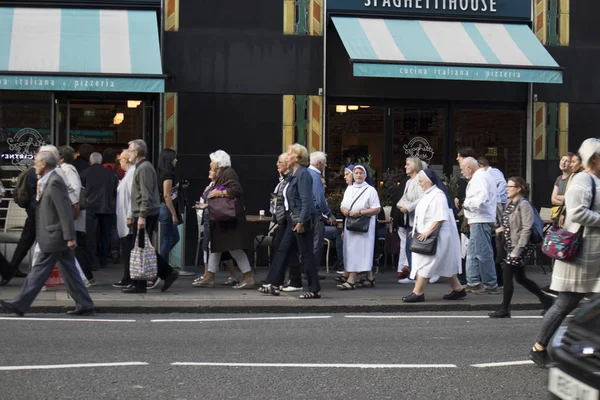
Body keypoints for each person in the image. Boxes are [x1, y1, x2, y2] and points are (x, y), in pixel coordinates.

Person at [530, 138, 600, 368]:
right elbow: (578, 213)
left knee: (572, 304)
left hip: (592, 255)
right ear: (595, 158)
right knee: (565, 303)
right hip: (581, 256)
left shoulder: (594, 180)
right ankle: (539, 348)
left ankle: (582, 349)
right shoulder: (583, 179)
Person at [0, 149, 95, 317]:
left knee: (38, 271)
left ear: (44, 164)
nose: (34, 166)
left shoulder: (55, 182)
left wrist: (69, 237)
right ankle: (85, 304)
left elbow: (64, 210)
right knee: (70, 272)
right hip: (54, 235)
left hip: (54, 236)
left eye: (36, 162)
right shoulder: (46, 181)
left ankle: (19, 304)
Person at [260, 143, 321, 299]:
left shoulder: (303, 174)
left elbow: (306, 200)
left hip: (300, 220)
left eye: (289, 153)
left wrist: (301, 221)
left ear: (298, 157)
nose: (287, 156)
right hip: (290, 220)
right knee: (282, 250)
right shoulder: (293, 175)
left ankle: (314, 289)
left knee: (306, 254)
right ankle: (273, 283)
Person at [488, 177, 553, 318]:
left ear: (518, 189)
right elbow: (511, 223)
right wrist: (501, 228)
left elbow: (526, 228)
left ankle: (505, 309)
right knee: (521, 278)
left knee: (507, 276)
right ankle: (547, 300)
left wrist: (517, 250)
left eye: (510, 186)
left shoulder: (524, 205)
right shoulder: (510, 203)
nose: (506, 189)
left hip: (520, 247)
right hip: (510, 245)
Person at [121, 139, 179, 294]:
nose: (128, 154)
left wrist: (141, 216)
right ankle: (145, 281)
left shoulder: (144, 168)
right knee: (142, 247)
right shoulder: (141, 167)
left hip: (146, 214)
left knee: (142, 247)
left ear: (137, 152)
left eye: (130, 150)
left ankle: (164, 274)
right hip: (143, 213)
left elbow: (145, 194)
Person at [193, 150, 254, 289]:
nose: (210, 164)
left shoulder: (228, 172)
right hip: (222, 219)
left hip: (229, 220)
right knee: (215, 247)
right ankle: (209, 276)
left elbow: (236, 190)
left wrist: (219, 192)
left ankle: (248, 277)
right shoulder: (222, 174)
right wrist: (208, 204)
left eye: (212, 161)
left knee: (234, 249)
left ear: (219, 163)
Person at [401, 169, 464, 302]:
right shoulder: (427, 195)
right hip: (425, 234)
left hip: (435, 236)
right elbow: (421, 215)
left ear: (429, 181)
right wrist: (416, 229)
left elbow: (440, 217)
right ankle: (458, 289)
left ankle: (418, 293)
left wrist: (428, 232)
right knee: (444, 264)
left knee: (426, 263)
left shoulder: (438, 195)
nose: (420, 184)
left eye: (421, 181)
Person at [336, 165, 381, 290]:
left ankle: (351, 280)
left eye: (361, 173)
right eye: (356, 173)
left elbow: (376, 208)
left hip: (364, 227)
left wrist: (360, 212)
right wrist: (344, 210)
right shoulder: (349, 189)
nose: (358, 175)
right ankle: (369, 278)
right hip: (350, 225)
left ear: (365, 175)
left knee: (360, 251)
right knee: (351, 251)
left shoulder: (370, 190)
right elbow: (342, 205)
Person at [192, 170, 240, 287]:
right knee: (219, 249)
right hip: (209, 217)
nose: (209, 171)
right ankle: (226, 275)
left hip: (214, 218)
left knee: (213, 247)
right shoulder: (210, 186)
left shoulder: (219, 187)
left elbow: (220, 201)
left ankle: (208, 275)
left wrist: (208, 202)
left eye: (212, 170)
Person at [460, 157, 499, 294]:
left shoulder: (479, 178)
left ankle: (490, 285)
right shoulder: (482, 176)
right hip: (478, 219)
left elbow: (481, 199)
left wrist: (467, 204)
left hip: (480, 219)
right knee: (472, 253)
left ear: (469, 168)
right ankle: (473, 282)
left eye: (462, 169)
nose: (462, 172)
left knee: (482, 253)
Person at [58, 146, 95, 286]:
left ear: (61, 158)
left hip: (74, 214)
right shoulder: (66, 169)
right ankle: (85, 276)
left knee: (77, 246)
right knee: (76, 246)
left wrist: (73, 207)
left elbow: (74, 189)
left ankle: (87, 276)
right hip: (73, 213)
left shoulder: (68, 170)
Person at [80, 152, 118, 269]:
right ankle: (103, 260)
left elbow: (81, 191)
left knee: (90, 236)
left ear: (90, 162)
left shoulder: (84, 174)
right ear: (101, 161)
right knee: (105, 235)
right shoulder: (110, 175)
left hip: (90, 208)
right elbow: (114, 192)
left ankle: (92, 261)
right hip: (106, 207)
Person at [4, 167, 37, 285]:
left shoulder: (32, 171)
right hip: (38, 212)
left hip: (33, 212)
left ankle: (10, 270)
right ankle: (9, 271)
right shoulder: (36, 172)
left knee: (25, 242)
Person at [396, 157, 425, 283]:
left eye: (408, 164)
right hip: (409, 219)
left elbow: (422, 198)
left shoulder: (419, 179)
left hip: (417, 220)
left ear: (415, 166)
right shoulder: (408, 181)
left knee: (413, 248)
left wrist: (408, 207)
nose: (405, 166)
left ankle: (416, 276)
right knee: (409, 247)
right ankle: (414, 275)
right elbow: (404, 197)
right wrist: (400, 204)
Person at [308, 152, 337, 275]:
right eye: (324, 163)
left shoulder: (305, 173)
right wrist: (329, 214)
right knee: (316, 245)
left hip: (306, 215)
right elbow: (319, 199)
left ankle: (307, 271)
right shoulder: (315, 176)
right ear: (319, 163)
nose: (325, 166)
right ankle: (312, 273)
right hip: (315, 216)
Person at [112, 150, 136, 288]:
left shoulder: (131, 174)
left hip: (127, 218)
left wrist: (130, 215)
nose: (119, 161)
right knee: (127, 249)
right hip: (123, 217)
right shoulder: (128, 174)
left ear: (126, 160)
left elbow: (133, 195)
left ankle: (129, 277)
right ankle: (127, 277)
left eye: (120, 159)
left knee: (129, 249)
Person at [156, 148, 182, 260]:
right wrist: (174, 214)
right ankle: (161, 264)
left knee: (174, 237)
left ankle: (161, 262)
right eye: (174, 158)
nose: (176, 160)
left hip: (163, 208)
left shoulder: (160, 173)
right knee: (168, 239)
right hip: (166, 208)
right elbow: (167, 195)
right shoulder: (167, 175)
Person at [550, 152, 574, 222]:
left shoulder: (574, 177)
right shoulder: (559, 179)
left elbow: (572, 198)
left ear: (571, 164)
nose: (563, 162)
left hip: (568, 216)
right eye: (562, 160)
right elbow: (553, 199)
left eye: (567, 161)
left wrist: (558, 197)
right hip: (558, 215)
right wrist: (565, 200)